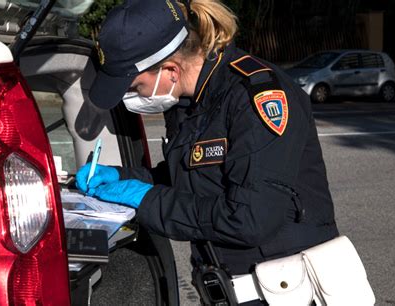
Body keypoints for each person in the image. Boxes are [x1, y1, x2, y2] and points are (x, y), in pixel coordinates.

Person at [76, 0, 339, 304]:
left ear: (170, 70)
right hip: (226, 288)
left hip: (285, 292)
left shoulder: (255, 98)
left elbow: (249, 218)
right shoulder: (189, 101)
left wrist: (145, 199)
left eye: (135, 86)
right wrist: (121, 179)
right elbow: (191, 177)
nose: (131, 97)